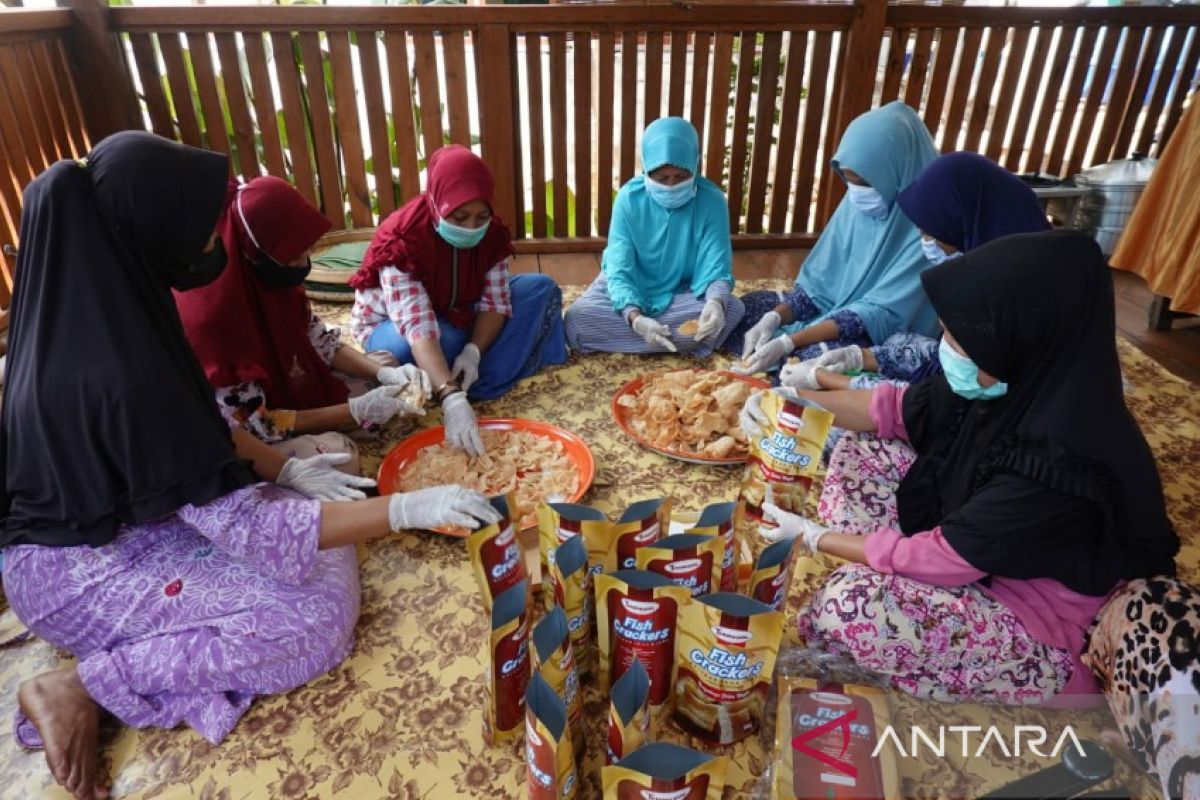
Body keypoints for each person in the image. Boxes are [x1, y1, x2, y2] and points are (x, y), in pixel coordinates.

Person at [0, 132, 501, 800]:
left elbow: (214, 427)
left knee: (313, 523)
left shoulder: (99, 313)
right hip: (74, 572)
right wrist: (411, 506)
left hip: (127, 522)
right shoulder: (129, 375)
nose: (212, 248)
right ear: (150, 234)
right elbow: (252, 526)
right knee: (312, 622)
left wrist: (285, 473)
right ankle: (80, 684)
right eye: (200, 233)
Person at [747, 231, 1178, 706]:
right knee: (862, 450)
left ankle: (1040, 678)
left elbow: (950, 558)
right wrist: (795, 399)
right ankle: (888, 562)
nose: (948, 348)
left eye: (964, 339)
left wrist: (813, 536)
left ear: (1021, 336)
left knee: (850, 605)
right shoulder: (1022, 380)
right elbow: (892, 408)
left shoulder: (1060, 461)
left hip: (1037, 619)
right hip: (982, 550)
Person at [175, 175, 429, 476]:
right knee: (340, 456)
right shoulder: (214, 319)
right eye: (293, 256)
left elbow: (320, 341)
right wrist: (354, 411)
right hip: (248, 430)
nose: (303, 262)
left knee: (387, 364)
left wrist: (385, 373)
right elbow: (255, 422)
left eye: (306, 251)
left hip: (285, 388)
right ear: (253, 250)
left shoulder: (271, 277)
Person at [349, 145, 567, 457]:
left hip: (460, 310)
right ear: (437, 203)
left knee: (540, 290)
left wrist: (474, 350)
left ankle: (463, 371)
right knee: (431, 343)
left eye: (481, 217)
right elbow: (417, 324)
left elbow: (495, 300)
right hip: (393, 328)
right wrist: (451, 397)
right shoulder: (404, 240)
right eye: (459, 217)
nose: (471, 228)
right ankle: (453, 385)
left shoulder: (491, 235)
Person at [779, 151, 1049, 391]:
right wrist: (861, 358)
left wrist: (824, 380)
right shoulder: (993, 266)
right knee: (896, 346)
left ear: (965, 224)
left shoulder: (1006, 302)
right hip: (956, 381)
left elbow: (931, 406)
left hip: (992, 417)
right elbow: (941, 360)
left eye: (931, 233)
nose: (925, 244)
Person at [730, 102, 937, 375]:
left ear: (897, 171)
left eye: (864, 183)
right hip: (839, 312)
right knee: (746, 309)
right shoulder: (856, 203)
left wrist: (789, 341)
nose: (856, 193)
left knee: (818, 360)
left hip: (882, 332)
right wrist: (775, 317)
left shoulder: (932, 228)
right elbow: (819, 287)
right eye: (848, 181)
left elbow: (877, 315)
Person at [563, 117, 744, 357]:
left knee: (731, 310)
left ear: (695, 166)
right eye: (661, 178)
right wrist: (634, 318)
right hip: (630, 284)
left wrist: (715, 303)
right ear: (646, 169)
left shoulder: (711, 201)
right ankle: (672, 339)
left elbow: (716, 267)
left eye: (680, 177)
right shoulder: (629, 199)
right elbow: (618, 269)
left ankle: (651, 340)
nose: (671, 186)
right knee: (577, 319)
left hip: (684, 292)